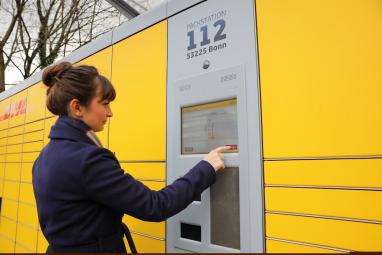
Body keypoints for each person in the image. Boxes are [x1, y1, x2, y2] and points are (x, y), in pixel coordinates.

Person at [32, 61, 230, 253]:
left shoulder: (45, 157)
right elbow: (155, 206)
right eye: (104, 103)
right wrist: (205, 167)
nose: (110, 113)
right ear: (77, 108)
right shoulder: (87, 160)